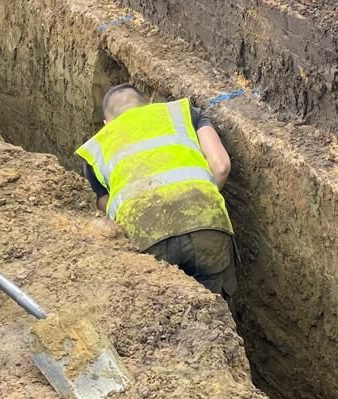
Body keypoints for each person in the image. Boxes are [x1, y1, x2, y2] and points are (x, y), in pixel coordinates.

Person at [75, 83, 237, 298]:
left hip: (147, 238)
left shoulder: (94, 150)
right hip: (206, 224)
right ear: (149, 104)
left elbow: (110, 214)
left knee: (161, 310)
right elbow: (221, 166)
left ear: (107, 123)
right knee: (216, 310)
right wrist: (200, 199)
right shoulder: (183, 113)